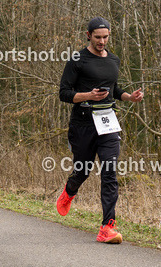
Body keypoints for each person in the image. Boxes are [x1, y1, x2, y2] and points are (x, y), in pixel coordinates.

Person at [55, 17, 144, 244]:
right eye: (97, 37)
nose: (102, 41)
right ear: (88, 36)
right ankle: (69, 191)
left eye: (105, 37)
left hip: (108, 124)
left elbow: (113, 89)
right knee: (83, 171)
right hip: (83, 124)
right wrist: (87, 96)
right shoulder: (77, 59)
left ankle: (107, 227)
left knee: (109, 173)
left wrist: (128, 97)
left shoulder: (113, 60)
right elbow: (64, 93)